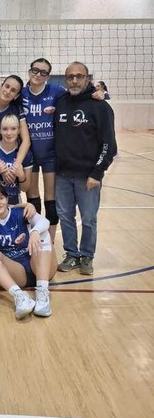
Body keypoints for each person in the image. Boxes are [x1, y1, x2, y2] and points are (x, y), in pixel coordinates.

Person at [54, 62, 117, 275]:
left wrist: (97, 173)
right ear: (65, 80)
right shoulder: (60, 102)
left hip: (88, 176)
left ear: (87, 78)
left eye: (79, 76)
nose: (74, 80)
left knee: (88, 219)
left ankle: (87, 256)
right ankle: (72, 254)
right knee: (65, 217)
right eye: (70, 77)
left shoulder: (100, 106)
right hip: (62, 175)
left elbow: (109, 145)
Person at [0, 185, 57, 319]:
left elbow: (44, 221)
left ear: (7, 199)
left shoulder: (20, 212)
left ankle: (43, 295)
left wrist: (34, 231)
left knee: (42, 233)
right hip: (18, 272)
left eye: (1, 198)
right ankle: (20, 297)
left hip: (38, 264)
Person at [21, 58, 66, 239]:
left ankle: (50, 240)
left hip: (50, 154)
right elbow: (1, 98)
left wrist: (95, 93)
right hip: (29, 154)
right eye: (35, 70)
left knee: (51, 200)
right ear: (29, 71)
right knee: (33, 199)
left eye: (43, 72)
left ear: (48, 76)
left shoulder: (57, 92)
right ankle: (36, 236)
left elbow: (77, 97)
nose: (38, 74)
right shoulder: (21, 94)